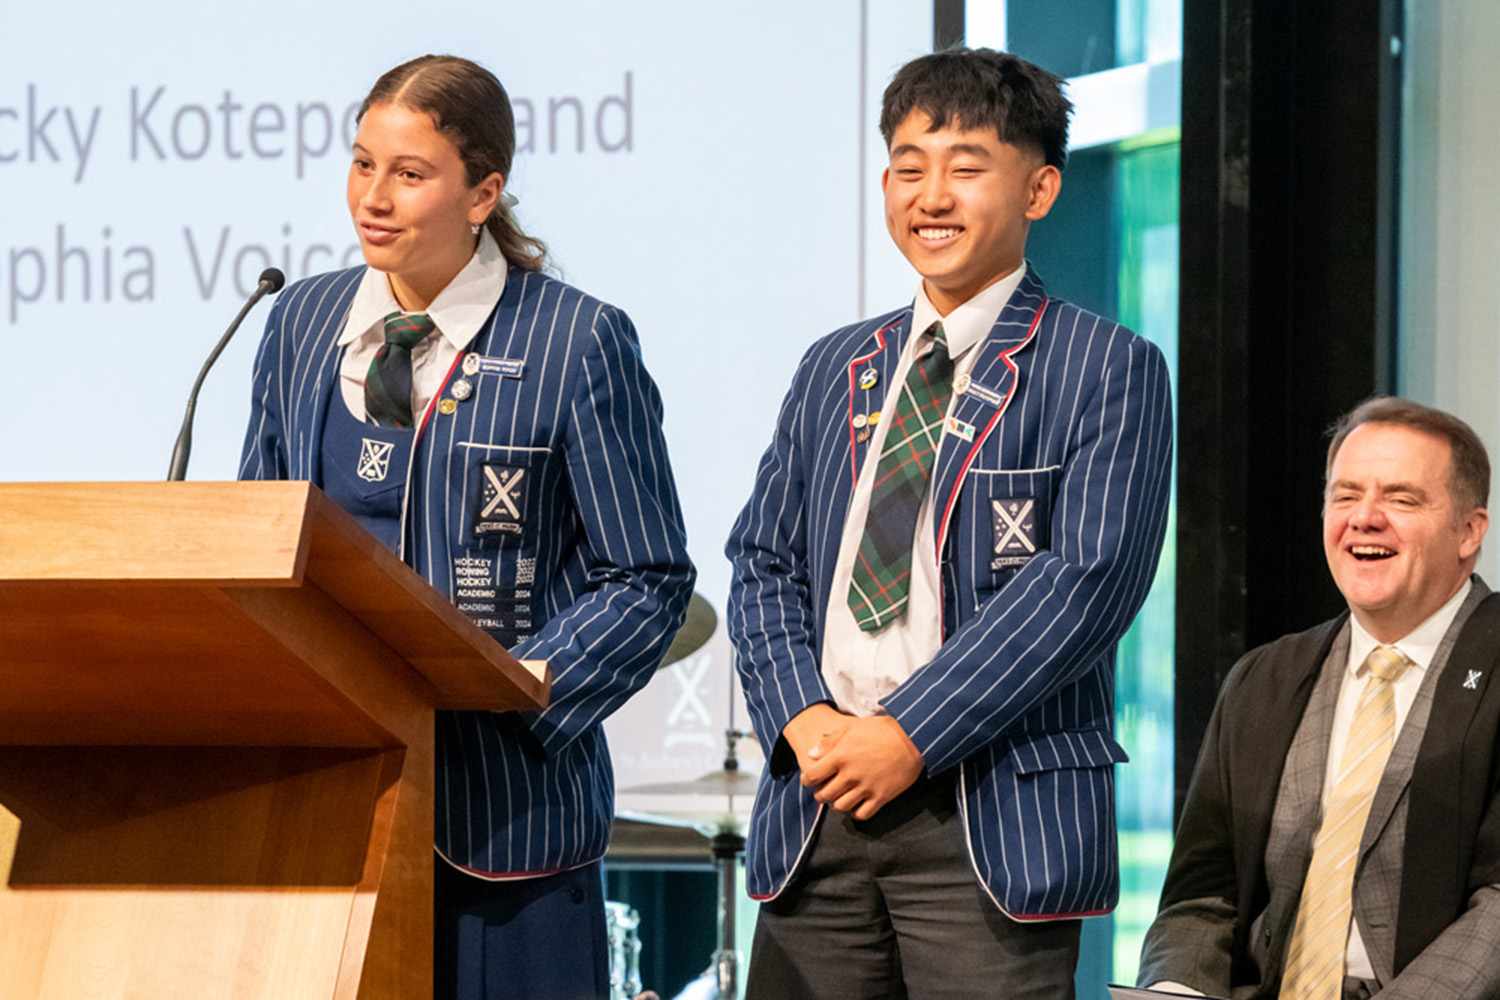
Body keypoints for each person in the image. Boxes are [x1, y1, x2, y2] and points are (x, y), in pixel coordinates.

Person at [238, 54, 695, 1000]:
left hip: (507, 819)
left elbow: (647, 576)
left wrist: (531, 685)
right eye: (362, 165)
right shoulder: (298, 323)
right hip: (330, 802)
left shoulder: (576, 340)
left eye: (410, 174)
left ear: (484, 190)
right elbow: (257, 533)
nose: (375, 197)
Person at [725, 47, 1173, 999]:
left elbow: (1085, 584)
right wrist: (802, 719)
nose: (930, 195)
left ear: (1041, 188)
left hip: (988, 819)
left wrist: (909, 732)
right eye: (907, 166)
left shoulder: (1107, 367)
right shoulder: (833, 366)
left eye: (966, 167)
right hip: (818, 804)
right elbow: (761, 560)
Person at [1138, 397, 1500, 999]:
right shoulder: (1264, 679)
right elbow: (1203, 896)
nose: (1365, 518)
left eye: (1401, 498)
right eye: (1345, 495)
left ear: (1469, 531)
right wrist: (1179, 988)